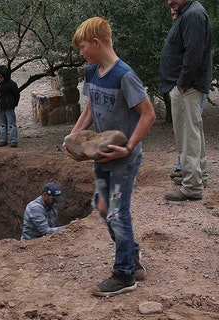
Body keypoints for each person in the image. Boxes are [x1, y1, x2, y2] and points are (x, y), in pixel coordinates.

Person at [64, 17, 155, 297]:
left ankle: (124, 274)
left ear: (96, 43)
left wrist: (128, 147)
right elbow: (90, 111)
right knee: (104, 209)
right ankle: (133, 260)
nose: (80, 53)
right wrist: (71, 138)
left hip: (124, 159)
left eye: (82, 47)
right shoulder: (92, 72)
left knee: (117, 212)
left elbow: (148, 114)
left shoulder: (124, 75)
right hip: (101, 156)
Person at [160, 0, 212, 201]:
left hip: (187, 87)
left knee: (188, 135)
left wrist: (182, 83)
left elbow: (194, 53)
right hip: (188, 86)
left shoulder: (193, 15)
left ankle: (191, 187)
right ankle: (200, 177)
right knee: (194, 132)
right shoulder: (189, 13)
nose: (169, 1)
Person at [0, 65, 20, 147]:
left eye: (1, 77)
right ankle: (3, 139)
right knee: (2, 124)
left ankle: (13, 140)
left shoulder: (11, 84)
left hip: (9, 108)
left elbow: (16, 95)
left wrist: (13, 104)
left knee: (11, 124)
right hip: (0, 107)